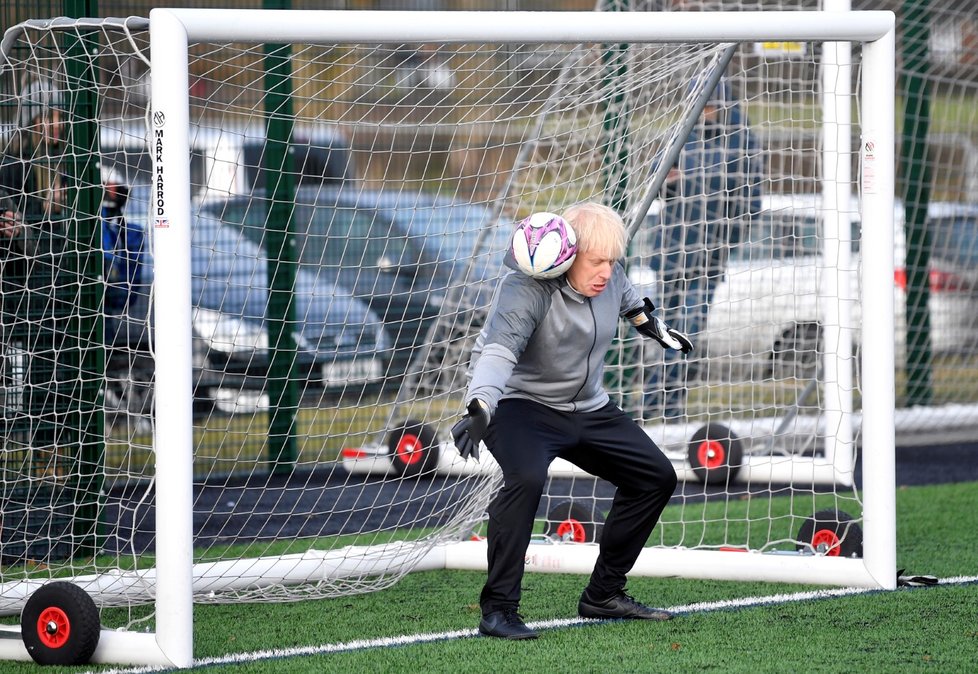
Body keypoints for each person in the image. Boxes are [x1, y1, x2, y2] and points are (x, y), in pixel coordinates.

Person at [451, 202, 692, 641]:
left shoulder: (611, 277)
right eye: (595, 261)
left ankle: (604, 593)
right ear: (566, 255)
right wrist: (481, 402)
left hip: (587, 407)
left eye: (612, 261)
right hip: (520, 405)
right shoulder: (524, 289)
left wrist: (654, 328)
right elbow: (499, 352)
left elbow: (631, 302)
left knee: (655, 476)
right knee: (525, 477)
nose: (606, 271)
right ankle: (499, 609)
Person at [645, 78, 763, 420]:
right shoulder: (682, 135)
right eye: (702, 106)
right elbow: (658, 180)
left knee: (687, 332)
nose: (706, 113)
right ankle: (666, 407)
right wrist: (670, 181)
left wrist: (726, 242)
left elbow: (750, 203)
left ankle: (656, 404)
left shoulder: (741, 142)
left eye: (712, 106)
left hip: (708, 259)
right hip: (669, 255)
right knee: (664, 332)